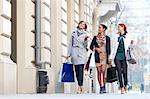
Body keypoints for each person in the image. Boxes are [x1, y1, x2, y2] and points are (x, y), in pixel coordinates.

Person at [66, 21, 89, 94]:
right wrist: (68, 54)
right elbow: (70, 43)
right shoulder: (73, 33)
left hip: (82, 52)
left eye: (83, 24)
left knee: (81, 69)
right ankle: (80, 84)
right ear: (78, 24)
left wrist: (86, 40)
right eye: (81, 24)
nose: (82, 25)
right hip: (74, 51)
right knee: (76, 70)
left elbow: (86, 46)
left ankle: (80, 86)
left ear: (85, 26)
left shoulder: (86, 34)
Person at [90, 24, 111, 93]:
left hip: (105, 56)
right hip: (97, 56)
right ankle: (101, 87)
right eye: (98, 27)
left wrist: (109, 58)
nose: (98, 28)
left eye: (100, 27)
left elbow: (109, 49)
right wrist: (96, 48)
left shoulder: (107, 38)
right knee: (99, 72)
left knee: (104, 72)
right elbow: (91, 47)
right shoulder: (95, 37)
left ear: (104, 29)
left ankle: (104, 86)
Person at [110, 23, 129, 94]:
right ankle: (121, 87)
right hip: (117, 55)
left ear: (123, 27)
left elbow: (129, 45)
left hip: (124, 56)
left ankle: (126, 85)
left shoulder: (127, 36)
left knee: (124, 71)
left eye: (119, 27)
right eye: (118, 27)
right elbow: (113, 47)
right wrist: (111, 57)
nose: (118, 28)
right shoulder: (115, 36)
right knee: (119, 72)